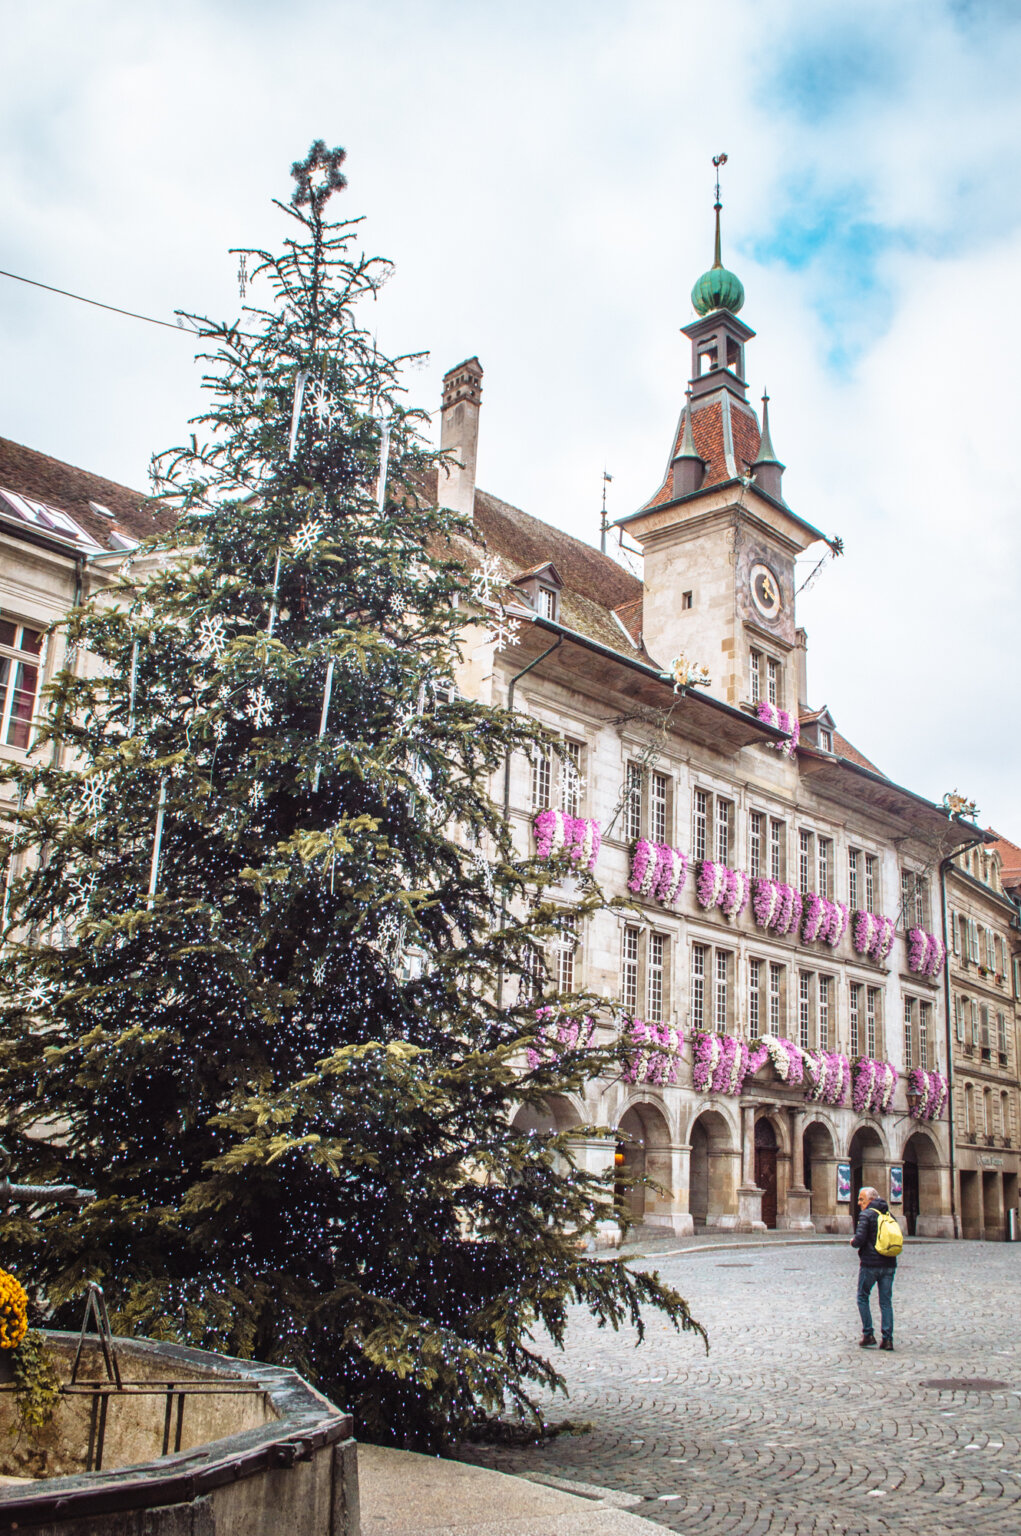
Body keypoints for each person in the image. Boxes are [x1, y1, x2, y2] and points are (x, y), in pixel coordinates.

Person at [851, 1185, 896, 1350]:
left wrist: (853, 1242)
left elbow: (859, 1239)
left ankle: (868, 1334)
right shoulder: (888, 1214)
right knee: (886, 1302)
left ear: (871, 1200)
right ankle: (888, 1339)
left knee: (862, 1297)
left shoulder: (866, 1215)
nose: (858, 1203)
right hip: (889, 1264)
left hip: (870, 1264)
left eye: (861, 1199)